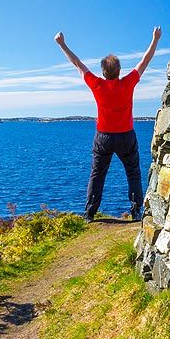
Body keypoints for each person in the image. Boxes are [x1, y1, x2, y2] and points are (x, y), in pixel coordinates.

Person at [55, 27, 161, 222]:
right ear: (119, 71)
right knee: (133, 173)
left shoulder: (97, 85)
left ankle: (89, 214)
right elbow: (145, 61)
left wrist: (62, 44)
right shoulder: (127, 83)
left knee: (97, 175)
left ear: (103, 72)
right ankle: (136, 212)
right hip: (126, 135)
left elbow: (77, 63)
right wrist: (155, 39)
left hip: (103, 136)